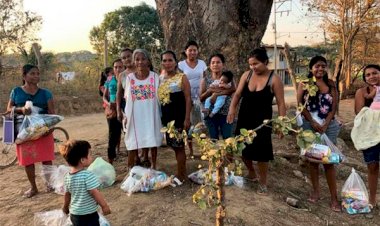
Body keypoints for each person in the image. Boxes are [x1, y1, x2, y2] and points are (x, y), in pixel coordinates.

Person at [227, 48, 286, 195]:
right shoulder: (246, 76)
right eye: (251, 64)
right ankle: (251, 172)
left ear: (265, 62)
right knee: (241, 148)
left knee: (262, 153)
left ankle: (263, 182)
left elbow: (281, 103)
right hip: (244, 118)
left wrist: (282, 123)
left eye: (256, 64)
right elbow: (237, 94)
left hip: (263, 121)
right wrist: (232, 109)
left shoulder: (274, 79)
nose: (253, 67)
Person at [296, 55, 341, 212]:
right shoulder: (305, 84)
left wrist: (326, 123)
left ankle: (334, 198)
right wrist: (313, 122)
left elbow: (334, 106)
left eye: (323, 66)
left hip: (329, 126)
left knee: (329, 162)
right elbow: (300, 104)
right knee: (313, 160)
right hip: (309, 126)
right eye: (316, 66)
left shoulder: (331, 84)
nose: (320, 69)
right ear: (311, 68)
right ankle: (315, 191)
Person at [5, 64, 55, 198]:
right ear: (24, 76)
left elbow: (51, 113)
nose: (36, 76)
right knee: (28, 160)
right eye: (32, 73)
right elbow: (9, 109)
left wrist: (50, 129)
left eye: (38, 74)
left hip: (43, 130)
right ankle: (33, 187)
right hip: (24, 131)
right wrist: (21, 110)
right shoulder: (16, 91)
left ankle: (49, 184)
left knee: (46, 159)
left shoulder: (46, 93)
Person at [122, 49, 162, 169]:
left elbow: (160, 96)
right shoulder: (130, 78)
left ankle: (153, 166)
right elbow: (127, 97)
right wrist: (125, 116)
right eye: (137, 59)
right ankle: (131, 168)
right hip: (135, 115)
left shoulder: (155, 77)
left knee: (153, 139)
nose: (140, 62)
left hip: (151, 114)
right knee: (133, 140)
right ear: (134, 62)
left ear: (148, 61)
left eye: (143, 59)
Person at [60, 140, 111, 226]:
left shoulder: (67, 177)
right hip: (89, 214)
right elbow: (94, 192)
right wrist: (104, 206)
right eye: (90, 154)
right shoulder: (87, 175)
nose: (91, 157)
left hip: (75, 214)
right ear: (82, 160)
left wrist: (65, 207)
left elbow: (67, 194)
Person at [158, 50, 192, 181]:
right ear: (161, 63)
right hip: (166, 119)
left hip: (178, 118)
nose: (167, 63)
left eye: (170, 60)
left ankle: (182, 175)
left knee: (179, 147)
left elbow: (188, 99)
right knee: (173, 145)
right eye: (165, 60)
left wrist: (187, 119)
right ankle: (181, 172)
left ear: (175, 62)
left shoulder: (181, 77)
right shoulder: (160, 78)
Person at [353, 64, 380, 209]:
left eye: (375, 73)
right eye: (368, 75)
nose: (372, 77)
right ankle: (372, 199)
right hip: (369, 134)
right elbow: (359, 113)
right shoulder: (362, 92)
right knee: (373, 165)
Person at [178, 41, 207, 157]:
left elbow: (204, 79)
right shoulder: (181, 65)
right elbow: (179, 80)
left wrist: (203, 94)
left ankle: (204, 150)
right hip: (186, 98)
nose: (192, 52)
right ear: (186, 51)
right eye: (190, 50)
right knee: (188, 123)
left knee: (201, 123)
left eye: (195, 50)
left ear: (197, 51)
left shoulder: (202, 63)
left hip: (200, 97)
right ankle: (190, 151)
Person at [199, 53, 235, 140]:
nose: (215, 65)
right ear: (209, 65)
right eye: (213, 62)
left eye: (218, 62)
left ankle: (227, 154)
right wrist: (210, 91)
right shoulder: (205, 80)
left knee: (228, 140)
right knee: (213, 140)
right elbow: (201, 98)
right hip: (210, 115)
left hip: (226, 114)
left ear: (223, 64)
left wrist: (217, 94)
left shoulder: (229, 79)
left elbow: (234, 90)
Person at [103, 59, 124, 164]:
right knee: (112, 136)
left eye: (120, 67)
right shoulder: (109, 79)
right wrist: (107, 104)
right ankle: (110, 161)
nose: (118, 69)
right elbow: (104, 96)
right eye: (116, 67)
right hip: (112, 111)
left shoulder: (128, 79)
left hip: (125, 110)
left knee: (128, 134)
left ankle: (135, 159)